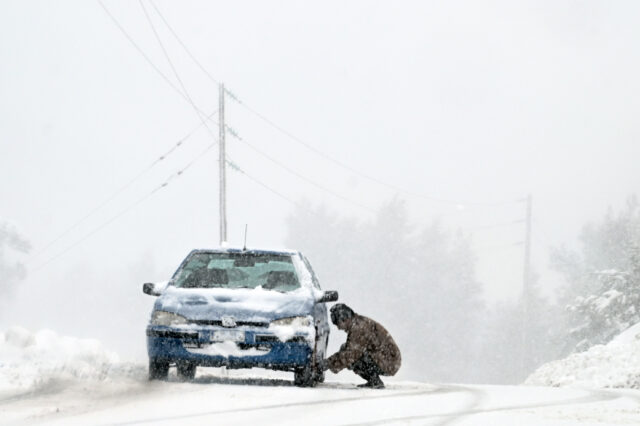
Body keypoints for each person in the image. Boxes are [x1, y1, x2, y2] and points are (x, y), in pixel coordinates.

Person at [323, 303, 401, 389]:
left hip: (389, 362)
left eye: (338, 324)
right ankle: (373, 380)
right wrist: (330, 364)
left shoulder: (358, 328)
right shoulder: (357, 323)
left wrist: (327, 364)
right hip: (386, 359)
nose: (338, 328)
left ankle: (374, 381)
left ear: (345, 318)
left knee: (353, 356)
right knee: (346, 349)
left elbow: (351, 355)